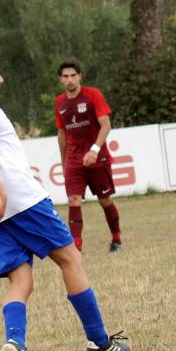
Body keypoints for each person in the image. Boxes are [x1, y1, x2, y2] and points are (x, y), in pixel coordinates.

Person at [0, 49, 129, 351]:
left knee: (22, 280)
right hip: (20, 202)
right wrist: (4, 192)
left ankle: (16, 342)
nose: (1, 79)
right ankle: (98, 340)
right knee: (71, 258)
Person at [55, 58, 123, 253]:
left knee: (105, 200)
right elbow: (62, 133)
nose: (70, 80)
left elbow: (106, 125)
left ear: (80, 76)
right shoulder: (59, 102)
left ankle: (116, 239)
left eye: (73, 76)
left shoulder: (93, 95)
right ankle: (76, 247)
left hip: (97, 157)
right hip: (74, 160)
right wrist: (64, 161)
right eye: (66, 76)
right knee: (73, 200)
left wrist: (94, 150)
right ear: (61, 79)